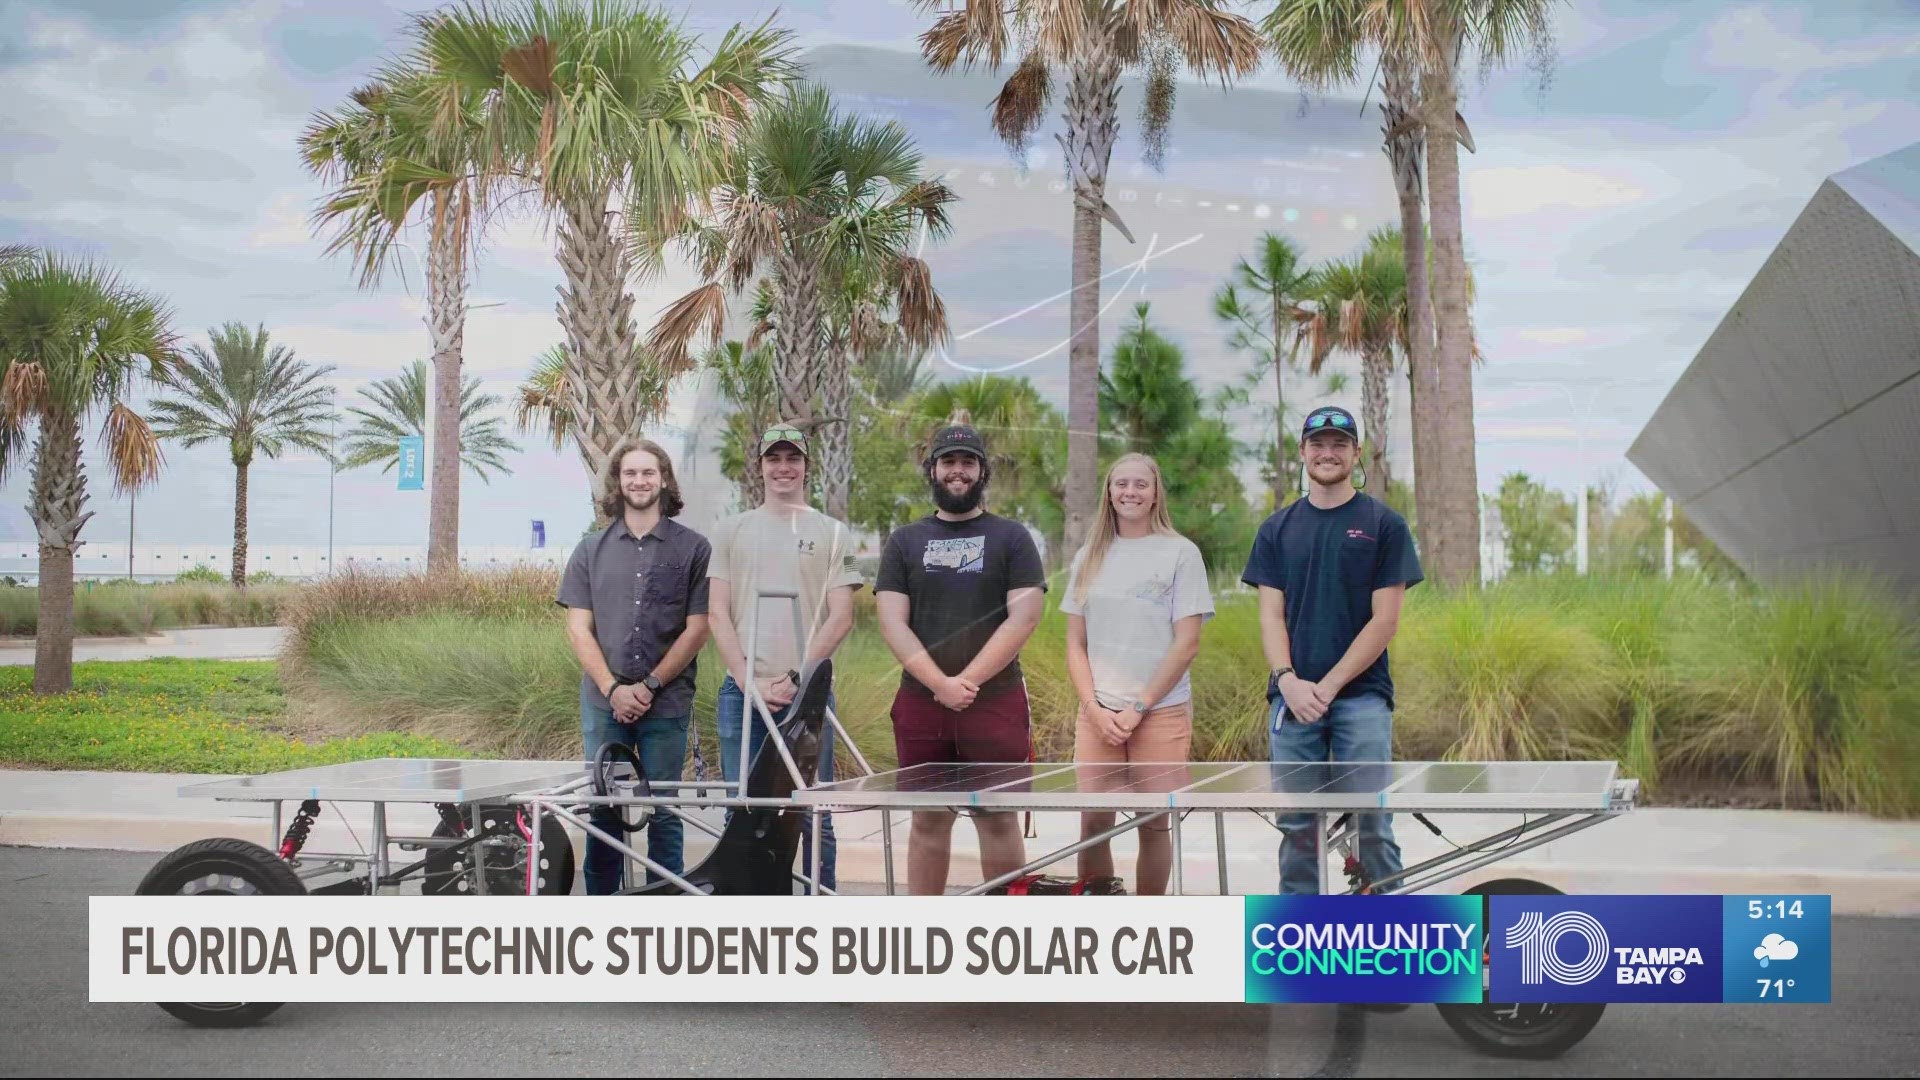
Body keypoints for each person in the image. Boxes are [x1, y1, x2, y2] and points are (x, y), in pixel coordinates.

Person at [1241, 405, 1424, 897]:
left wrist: (1328, 685)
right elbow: (1270, 616)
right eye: (1317, 444)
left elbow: (1384, 621)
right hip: (1292, 699)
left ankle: (1389, 937)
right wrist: (1287, 680)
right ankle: (1301, 940)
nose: (1327, 453)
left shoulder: (1384, 525)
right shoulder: (1276, 530)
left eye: (1339, 444)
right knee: (1298, 828)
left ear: (1355, 452)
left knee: (1372, 826)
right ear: (1302, 452)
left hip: (1362, 699)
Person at [875, 422, 1047, 895]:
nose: (957, 471)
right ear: (932, 469)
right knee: (929, 821)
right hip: (920, 704)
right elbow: (892, 620)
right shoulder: (904, 541)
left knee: (997, 820)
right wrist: (938, 684)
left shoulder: (1012, 538)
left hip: (994, 703)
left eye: (967, 462)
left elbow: (1025, 616)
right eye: (948, 462)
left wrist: (966, 682)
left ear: (982, 471)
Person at [706, 422, 862, 892]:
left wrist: (798, 678)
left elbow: (841, 617)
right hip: (743, 695)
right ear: (760, 467)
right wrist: (749, 681)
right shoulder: (731, 531)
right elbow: (717, 613)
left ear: (806, 467)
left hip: (808, 698)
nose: (783, 467)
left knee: (814, 814)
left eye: (792, 458)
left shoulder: (833, 533)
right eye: (774, 458)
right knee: (745, 812)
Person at [558, 437, 711, 894]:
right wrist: (613, 690)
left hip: (666, 705)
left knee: (665, 811)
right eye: (630, 473)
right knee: (603, 810)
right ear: (617, 482)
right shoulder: (589, 550)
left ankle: (664, 915)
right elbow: (578, 629)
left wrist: (648, 686)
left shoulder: (694, 549)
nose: (639, 481)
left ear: (664, 479)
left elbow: (698, 628)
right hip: (604, 706)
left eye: (648, 472)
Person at [1061, 453, 1214, 895]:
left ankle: (1150, 918)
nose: (1130, 492)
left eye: (1140, 485)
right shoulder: (1089, 556)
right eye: (1121, 484)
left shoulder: (1181, 553)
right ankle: (1099, 915)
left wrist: (1139, 707)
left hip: (1160, 712)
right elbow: (1076, 643)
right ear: (1109, 492)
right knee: (1093, 821)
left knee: (1154, 821)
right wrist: (1093, 707)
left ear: (1155, 494)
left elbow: (1187, 643)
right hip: (1098, 713)